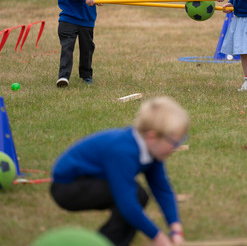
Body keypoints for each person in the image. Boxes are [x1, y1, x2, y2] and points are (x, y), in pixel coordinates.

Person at [50, 96, 189, 246]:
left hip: (92, 180)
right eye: (174, 142)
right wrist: (158, 238)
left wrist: (176, 229)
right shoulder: (123, 151)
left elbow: (162, 189)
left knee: (137, 197)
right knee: (134, 198)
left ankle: (107, 242)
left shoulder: (151, 151)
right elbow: (127, 204)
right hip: (68, 187)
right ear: (152, 137)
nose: (176, 147)